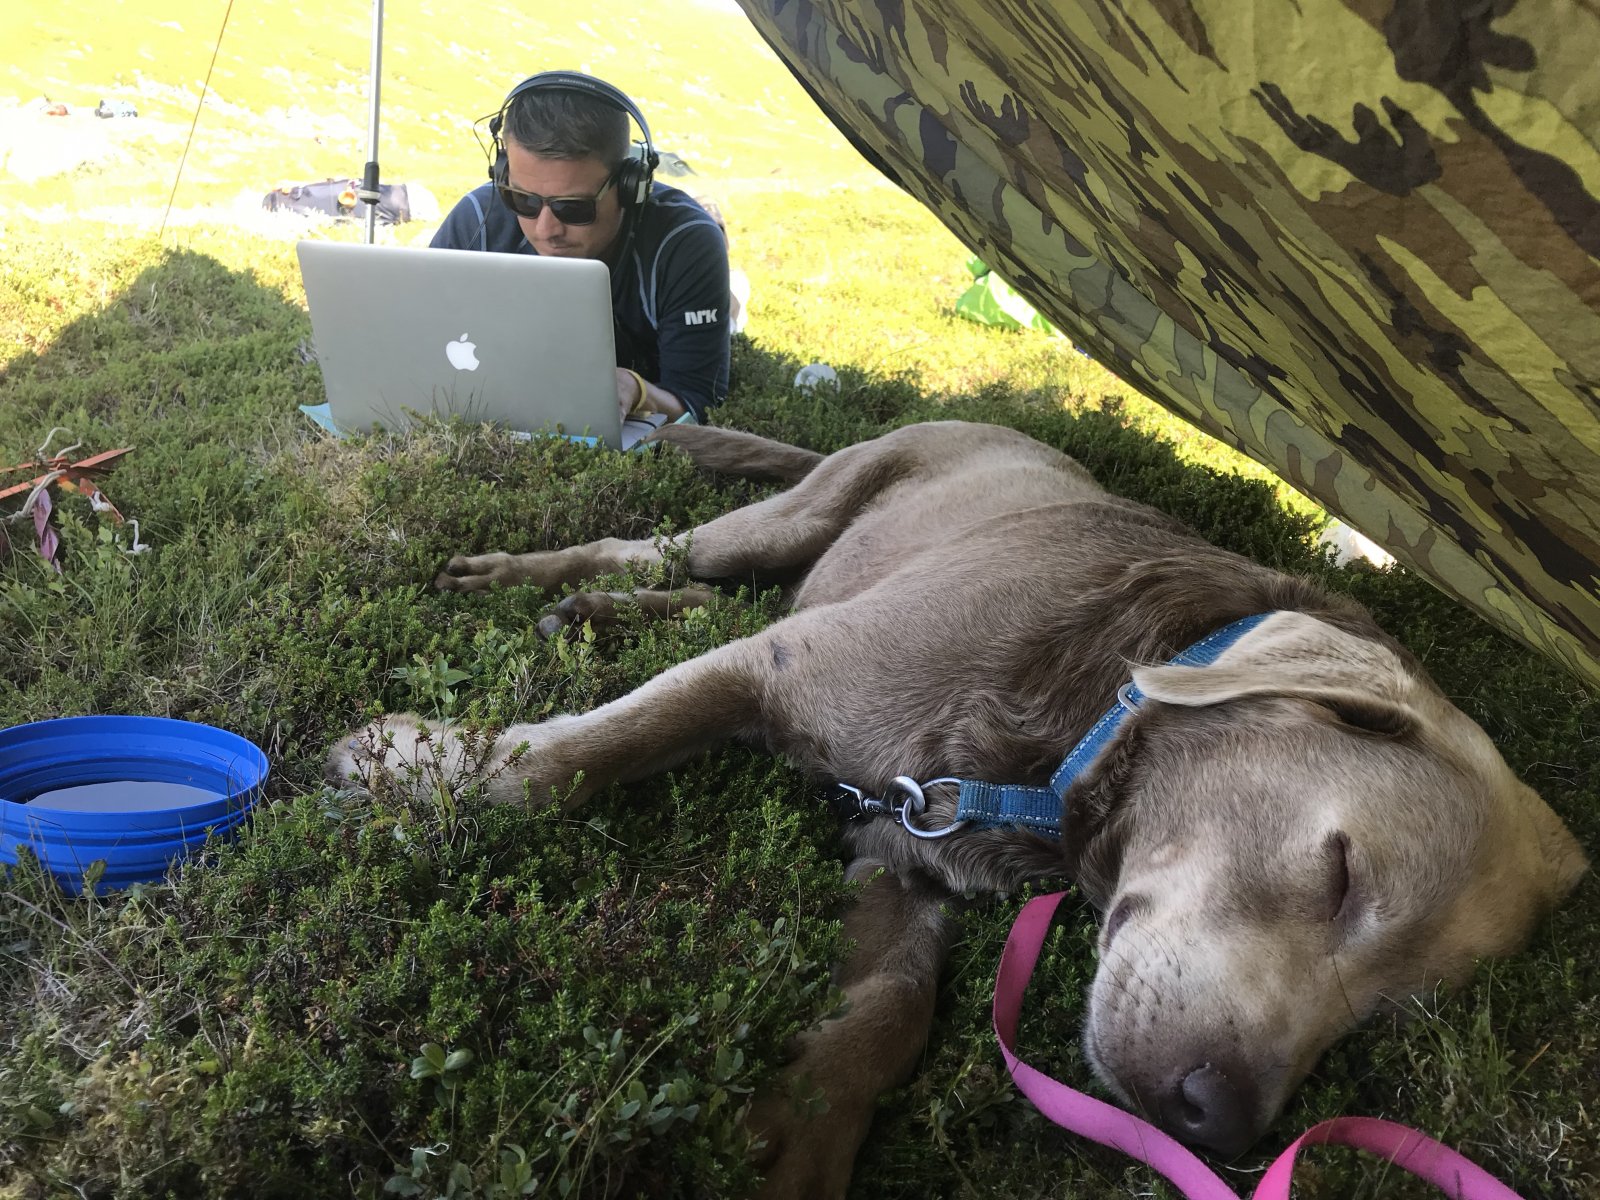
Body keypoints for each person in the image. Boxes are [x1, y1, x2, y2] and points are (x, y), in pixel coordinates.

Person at [431, 72, 730, 425]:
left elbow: (700, 400)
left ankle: (732, 302)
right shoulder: (478, 218)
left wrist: (638, 390)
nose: (546, 230)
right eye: (523, 200)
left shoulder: (685, 244)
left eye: (573, 208)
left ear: (629, 187)